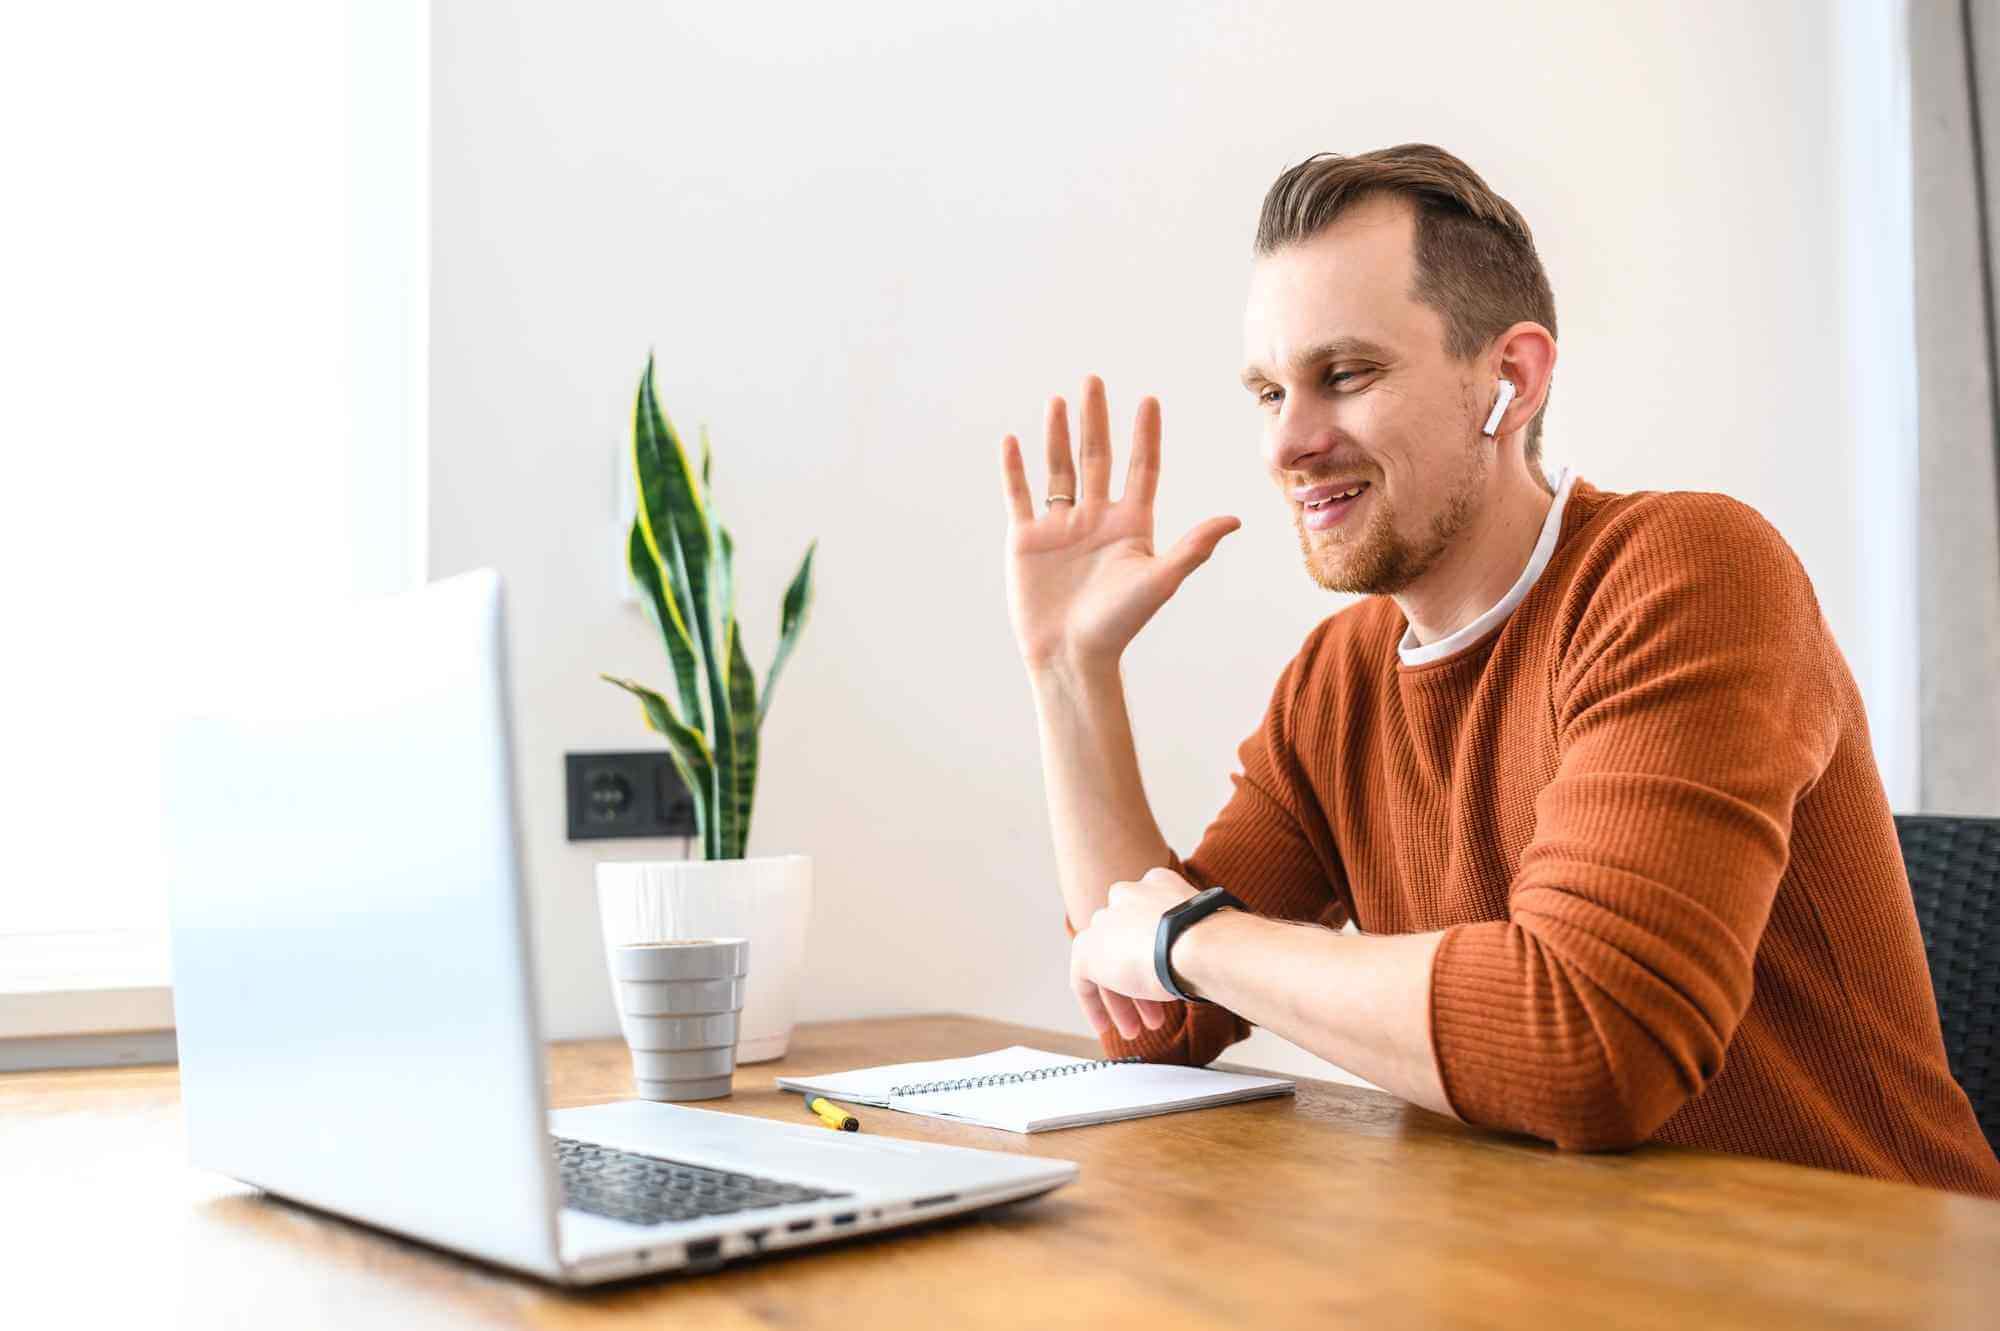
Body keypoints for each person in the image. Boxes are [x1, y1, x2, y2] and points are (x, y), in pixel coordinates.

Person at [998, 143, 2000, 1196]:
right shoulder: (1338, 679)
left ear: (1508, 379)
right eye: (1265, 390)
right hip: (1550, 1269)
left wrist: (1189, 940)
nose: (1286, 441)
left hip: (1867, 1272)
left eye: (1344, 374)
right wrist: (1071, 671)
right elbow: (1152, 1014)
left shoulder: (1687, 570)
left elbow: (1589, 1043)